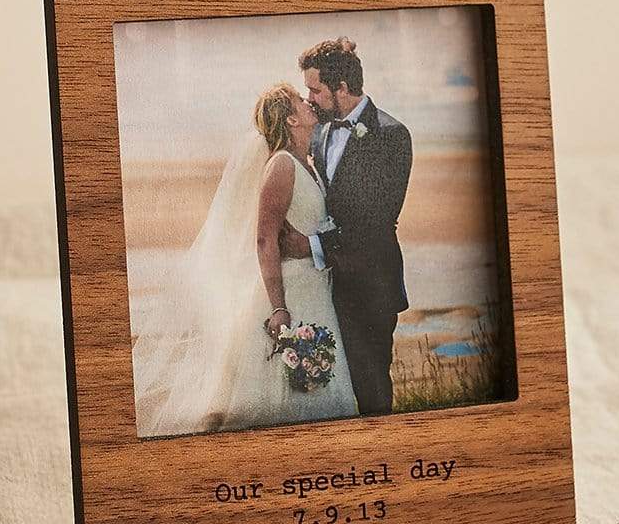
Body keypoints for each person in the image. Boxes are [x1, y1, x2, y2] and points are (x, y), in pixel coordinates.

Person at [131, 83, 357, 438]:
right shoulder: (282, 165)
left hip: (315, 287)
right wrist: (279, 307)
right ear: (291, 119)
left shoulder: (306, 162)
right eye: (300, 99)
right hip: (293, 292)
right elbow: (265, 239)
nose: (308, 100)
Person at [279, 38, 413, 416]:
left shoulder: (391, 135)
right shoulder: (319, 132)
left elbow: (376, 221)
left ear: (341, 89)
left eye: (315, 90)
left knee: (371, 391)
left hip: (370, 286)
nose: (309, 99)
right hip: (325, 288)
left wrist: (312, 247)